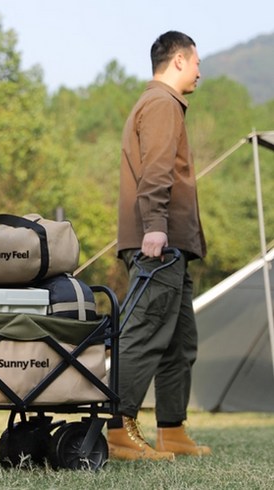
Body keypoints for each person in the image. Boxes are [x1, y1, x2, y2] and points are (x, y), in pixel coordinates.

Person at [107, 31, 211, 460]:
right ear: (180, 61)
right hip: (158, 244)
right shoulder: (162, 104)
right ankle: (117, 429)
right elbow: (156, 171)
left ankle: (172, 429)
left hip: (172, 246)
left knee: (180, 341)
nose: (201, 71)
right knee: (145, 333)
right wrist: (154, 227)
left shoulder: (164, 105)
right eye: (198, 62)